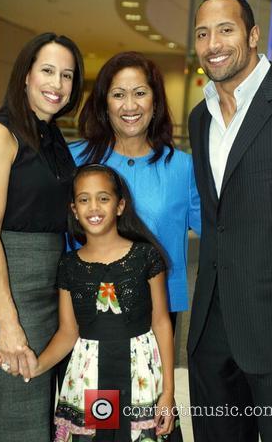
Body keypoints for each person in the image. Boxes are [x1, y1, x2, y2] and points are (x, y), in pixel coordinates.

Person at [0, 164, 183, 442]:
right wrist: (36, 366)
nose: (93, 207)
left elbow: (161, 323)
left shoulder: (145, 256)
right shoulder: (70, 266)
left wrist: (168, 392)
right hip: (90, 382)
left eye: (103, 198)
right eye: (84, 200)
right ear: (74, 210)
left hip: (141, 379)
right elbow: (68, 332)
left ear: (120, 206)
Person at [187, 0, 272, 441]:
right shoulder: (199, 118)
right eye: (202, 33)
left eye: (226, 29)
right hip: (212, 330)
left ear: (252, 36)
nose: (213, 43)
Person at [0, 32, 84, 441]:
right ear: (26, 74)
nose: (57, 84)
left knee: (35, 413)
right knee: (16, 415)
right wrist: (8, 323)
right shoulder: (1, 132)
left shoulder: (50, 136)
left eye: (67, 75)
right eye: (47, 71)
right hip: (12, 290)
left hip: (47, 293)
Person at [69, 51, 201, 332]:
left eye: (140, 93)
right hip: (84, 306)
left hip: (158, 310)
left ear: (155, 102)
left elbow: (219, 231)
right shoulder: (75, 160)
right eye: (118, 95)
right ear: (105, 104)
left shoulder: (182, 167)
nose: (130, 105)